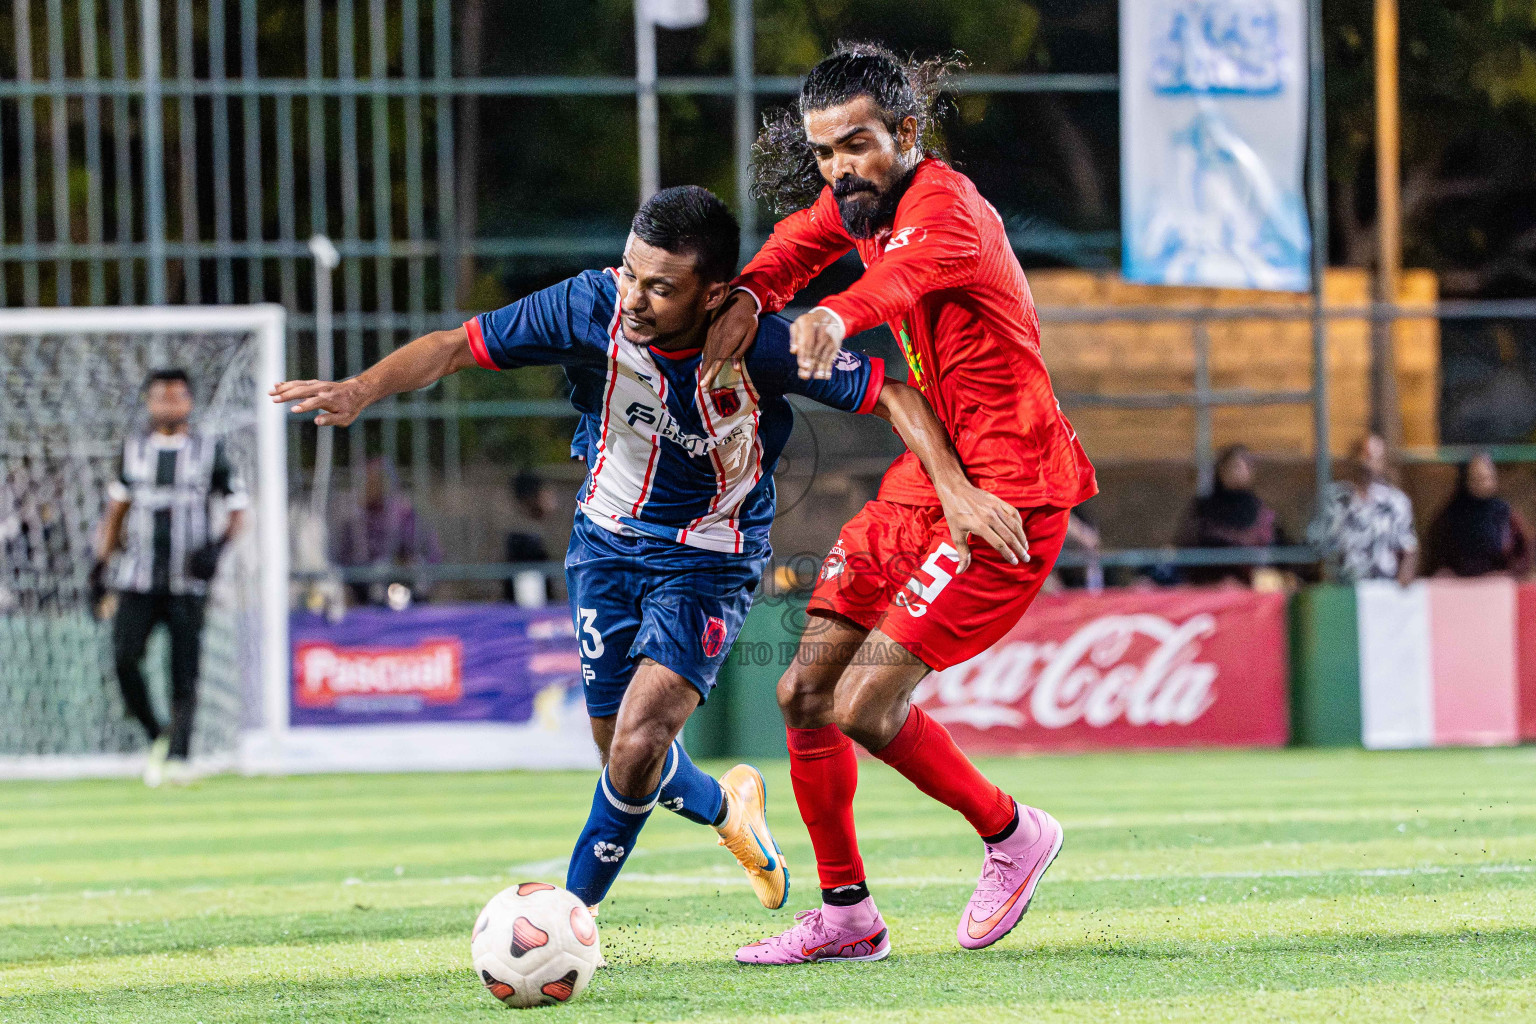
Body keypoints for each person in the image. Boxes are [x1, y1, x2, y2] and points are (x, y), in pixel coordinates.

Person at [270, 185, 1022, 925]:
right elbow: (454, 348)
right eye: (631, 272)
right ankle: (730, 810)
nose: (634, 298)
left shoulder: (763, 345)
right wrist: (360, 390)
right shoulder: (585, 308)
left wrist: (955, 490)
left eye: (661, 288)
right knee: (622, 756)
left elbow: (894, 393)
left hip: (708, 560)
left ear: (716, 292)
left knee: (637, 743)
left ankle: (567, 919)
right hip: (601, 545)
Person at [701, 44, 1096, 963]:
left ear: (906, 135)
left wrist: (835, 315)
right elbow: (798, 244)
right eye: (826, 152)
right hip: (932, 481)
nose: (842, 169)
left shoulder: (946, 208)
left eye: (859, 146)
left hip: (1011, 492)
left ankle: (1013, 834)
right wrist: (752, 295)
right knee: (802, 691)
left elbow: (894, 285)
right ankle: (847, 918)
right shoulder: (859, 205)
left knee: (866, 707)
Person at [92, 369, 246, 787]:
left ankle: (180, 755)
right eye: (161, 398)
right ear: (148, 403)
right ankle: (156, 731)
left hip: (188, 580)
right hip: (136, 578)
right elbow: (117, 511)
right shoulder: (133, 450)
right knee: (123, 658)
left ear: (190, 403)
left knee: (185, 670)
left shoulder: (210, 451)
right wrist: (100, 566)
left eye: (177, 398)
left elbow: (237, 508)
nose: (169, 405)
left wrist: (218, 548)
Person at [1309, 433, 1419, 585]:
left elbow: (1408, 550)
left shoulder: (1395, 502)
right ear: (1352, 458)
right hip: (1343, 592)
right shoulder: (1333, 498)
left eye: (1376, 458)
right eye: (1365, 455)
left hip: (1382, 590)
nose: (1368, 463)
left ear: (1383, 464)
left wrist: (1400, 593)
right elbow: (1319, 548)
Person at [332, 457, 442, 607]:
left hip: (405, 581)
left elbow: (428, 551)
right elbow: (345, 561)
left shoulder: (404, 513)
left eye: (373, 481)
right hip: (370, 587)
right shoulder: (355, 521)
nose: (367, 486)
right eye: (365, 481)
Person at [1175, 445, 1288, 585]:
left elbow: (1278, 551)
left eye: (1245, 466)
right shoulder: (1203, 508)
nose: (1240, 471)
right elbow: (1189, 548)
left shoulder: (1262, 512)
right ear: (1221, 470)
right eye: (1234, 466)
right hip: (1208, 585)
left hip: (1252, 586)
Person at [1425, 452, 1531, 577]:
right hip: (1459, 587)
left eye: (1488, 478)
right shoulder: (1450, 516)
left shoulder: (1505, 514)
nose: (1484, 483)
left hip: (1498, 586)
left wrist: (1510, 574)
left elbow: (1523, 553)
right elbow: (1435, 558)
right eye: (1478, 478)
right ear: (1466, 480)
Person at [504, 469, 557, 606]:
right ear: (531, 497)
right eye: (545, 493)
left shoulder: (541, 532)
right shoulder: (524, 540)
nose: (551, 498)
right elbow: (531, 605)